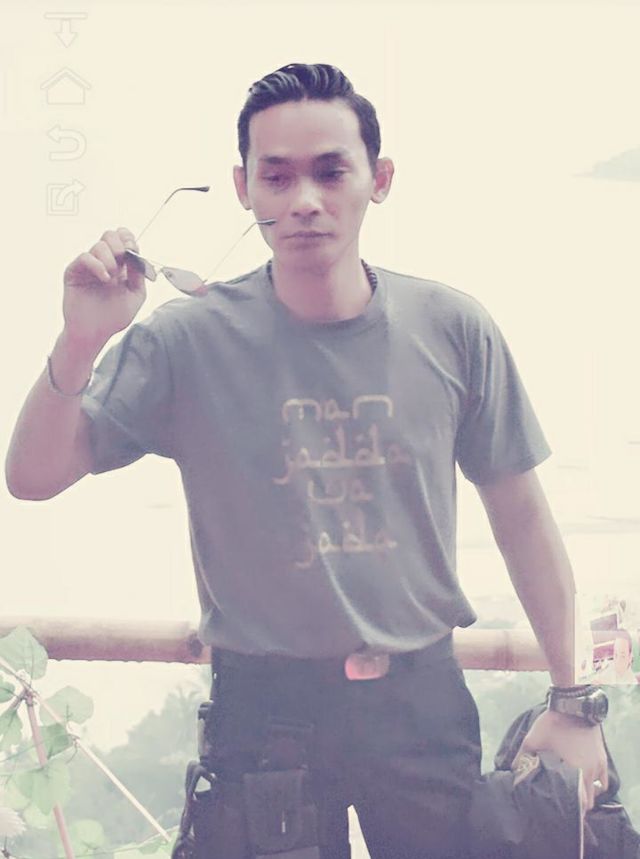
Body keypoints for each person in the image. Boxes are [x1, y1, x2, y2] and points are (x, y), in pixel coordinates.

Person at [5, 63, 609, 859]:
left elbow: (523, 517)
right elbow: (33, 475)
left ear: (378, 180)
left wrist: (572, 697)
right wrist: (81, 339)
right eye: (277, 176)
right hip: (263, 709)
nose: (304, 200)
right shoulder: (188, 339)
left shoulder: (451, 327)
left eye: (331, 171)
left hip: (418, 702)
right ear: (243, 187)